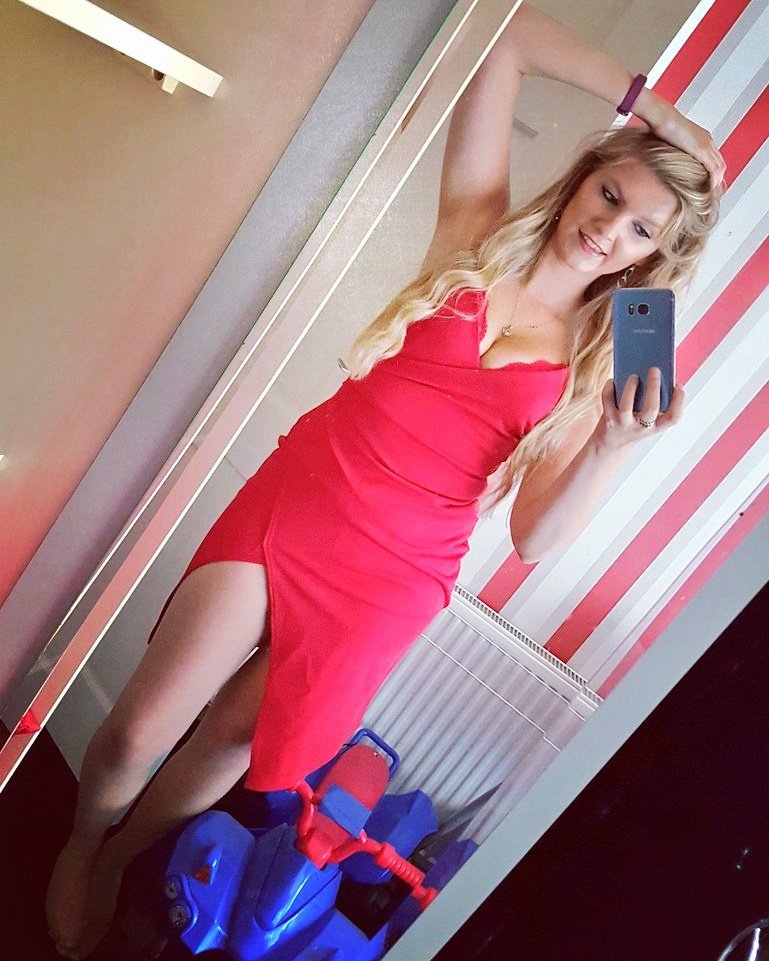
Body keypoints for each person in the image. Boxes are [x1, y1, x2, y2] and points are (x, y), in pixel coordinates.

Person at [45, 4, 724, 957]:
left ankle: (122, 862)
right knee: (136, 731)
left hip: (394, 576)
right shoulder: (474, 234)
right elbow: (504, 39)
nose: (609, 229)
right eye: (609, 194)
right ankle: (83, 842)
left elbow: (532, 537)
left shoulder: (588, 371)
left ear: (654, 254)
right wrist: (659, 111)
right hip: (301, 499)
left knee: (230, 742)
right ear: (584, 179)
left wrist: (612, 445)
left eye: (641, 228)